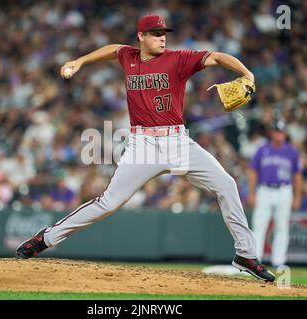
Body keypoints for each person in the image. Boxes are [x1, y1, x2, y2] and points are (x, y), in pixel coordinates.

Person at [16, 14, 275, 282]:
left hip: (177, 142)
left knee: (226, 185)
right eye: (155, 33)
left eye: (163, 32)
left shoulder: (178, 59)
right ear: (141, 36)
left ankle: (245, 254)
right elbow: (113, 49)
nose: (162, 37)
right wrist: (79, 61)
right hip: (143, 145)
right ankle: (45, 238)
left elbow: (218, 57)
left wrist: (246, 73)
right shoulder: (128, 56)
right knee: (108, 202)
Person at [248, 119, 303, 268]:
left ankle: (279, 261)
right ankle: (255, 259)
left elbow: (297, 176)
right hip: (264, 190)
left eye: (282, 132)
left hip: (284, 190)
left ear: (285, 134)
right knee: (259, 225)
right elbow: (252, 171)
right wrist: (252, 193)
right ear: (272, 133)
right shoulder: (262, 149)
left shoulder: (291, 151)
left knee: (282, 227)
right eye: (277, 132)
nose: (280, 135)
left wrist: (297, 197)